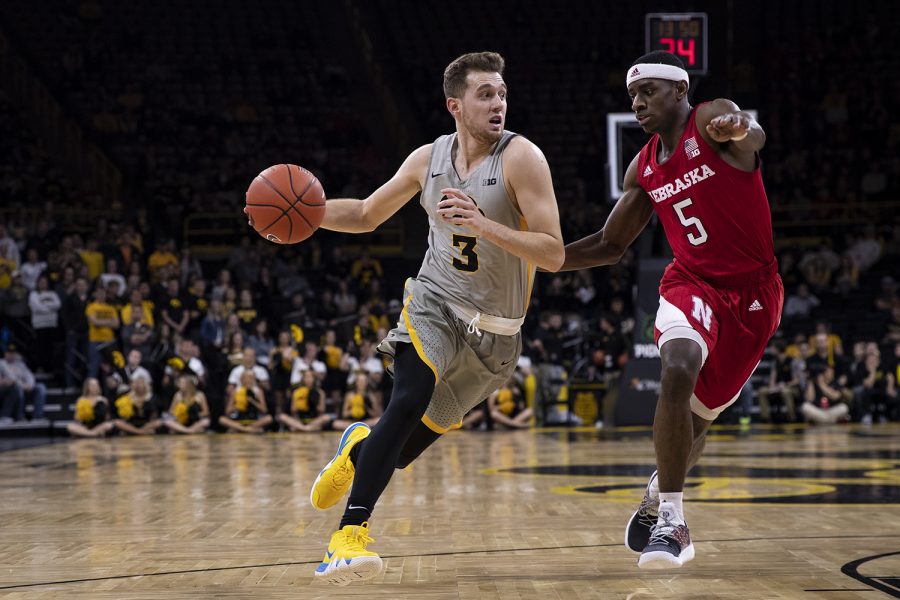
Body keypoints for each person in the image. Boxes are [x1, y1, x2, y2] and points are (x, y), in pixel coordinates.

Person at [287, 51, 563, 585]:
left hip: (497, 336)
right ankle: (348, 536)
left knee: (402, 449)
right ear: (454, 105)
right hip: (434, 302)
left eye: (502, 93)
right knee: (408, 397)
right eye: (486, 94)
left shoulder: (522, 158)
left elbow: (552, 253)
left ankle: (357, 448)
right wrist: (310, 215)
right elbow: (368, 214)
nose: (498, 103)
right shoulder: (427, 159)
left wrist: (486, 226)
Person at [561, 51, 783, 569]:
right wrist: (536, 260)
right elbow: (609, 244)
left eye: (648, 92)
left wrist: (741, 127)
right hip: (692, 282)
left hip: (753, 297)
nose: (638, 103)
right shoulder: (644, 166)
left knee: (697, 425)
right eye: (632, 96)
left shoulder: (708, 120)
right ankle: (674, 521)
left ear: (679, 92)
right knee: (678, 367)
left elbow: (753, 137)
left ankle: (660, 490)